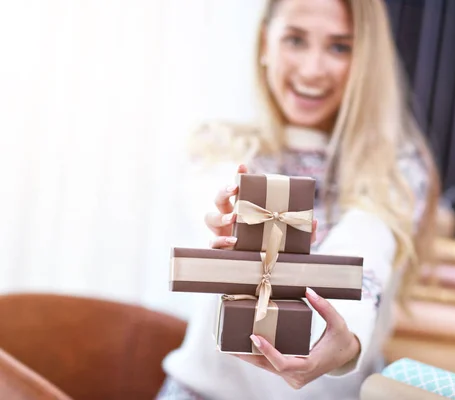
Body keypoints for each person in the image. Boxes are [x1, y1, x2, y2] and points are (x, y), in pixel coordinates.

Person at [157, 0, 440, 399]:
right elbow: (210, 200)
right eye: (295, 39)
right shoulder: (219, 144)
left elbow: (367, 245)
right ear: (264, 43)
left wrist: (346, 335)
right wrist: (226, 221)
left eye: (340, 47)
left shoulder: (398, 167)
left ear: (366, 60)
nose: (312, 69)